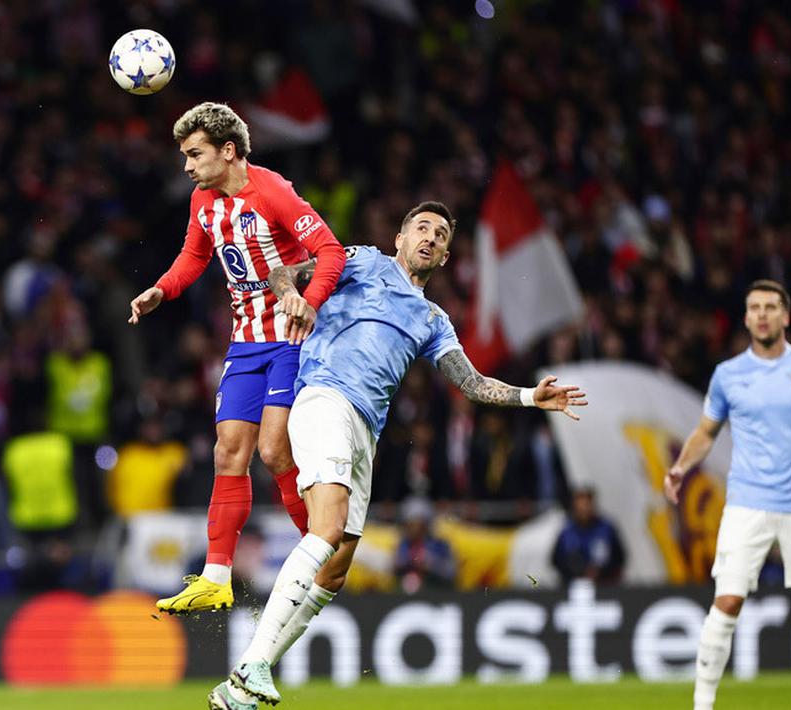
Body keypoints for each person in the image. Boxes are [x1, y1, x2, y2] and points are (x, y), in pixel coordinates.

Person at [209, 202, 587, 709]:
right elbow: (283, 271)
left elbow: (470, 381)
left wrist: (527, 396)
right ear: (401, 235)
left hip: (366, 429)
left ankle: (240, 688)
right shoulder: (362, 261)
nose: (429, 237)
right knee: (325, 528)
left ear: (447, 256)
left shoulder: (434, 318)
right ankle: (253, 663)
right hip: (324, 398)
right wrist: (292, 297)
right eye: (421, 228)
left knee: (335, 570)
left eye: (440, 234)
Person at [129, 101, 347, 614]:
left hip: (292, 337)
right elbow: (195, 255)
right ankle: (216, 576)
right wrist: (163, 289)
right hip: (246, 341)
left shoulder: (273, 192)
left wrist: (306, 303)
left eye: (195, 154)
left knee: (274, 451)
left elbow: (332, 251)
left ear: (228, 151)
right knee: (228, 450)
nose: (187, 166)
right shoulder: (202, 201)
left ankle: (319, 551)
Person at [663, 279, 791, 710]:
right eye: (755, 307)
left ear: (785, 316)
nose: (762, 314)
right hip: (747, 503)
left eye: (771, 307)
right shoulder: (729, 374)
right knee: (727, 601)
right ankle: (702, 705)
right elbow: (706, 432)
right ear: (746, 317)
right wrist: (681, 467)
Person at [551, 486, 627, 585]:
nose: (584, 509)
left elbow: (619, 558)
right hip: (574, 585)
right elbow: (556, 561)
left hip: (604, 584)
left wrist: (601, 571)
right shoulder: (567, 532)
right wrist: (576, 571)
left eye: (587, 504)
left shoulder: (606, 529)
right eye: (580, 506)